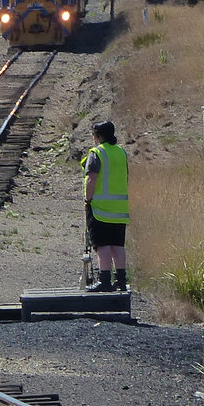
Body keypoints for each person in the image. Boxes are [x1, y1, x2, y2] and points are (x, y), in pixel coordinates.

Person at [83, 119, 129, 292]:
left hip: (100, 208)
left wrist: (88, 198)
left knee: (102, 245)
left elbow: (91, 178)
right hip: (120, 208)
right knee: (118, 245)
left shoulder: (96, 153)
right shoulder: (121, 152)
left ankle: (105, 280)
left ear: (98, 135)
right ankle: (121, 281)